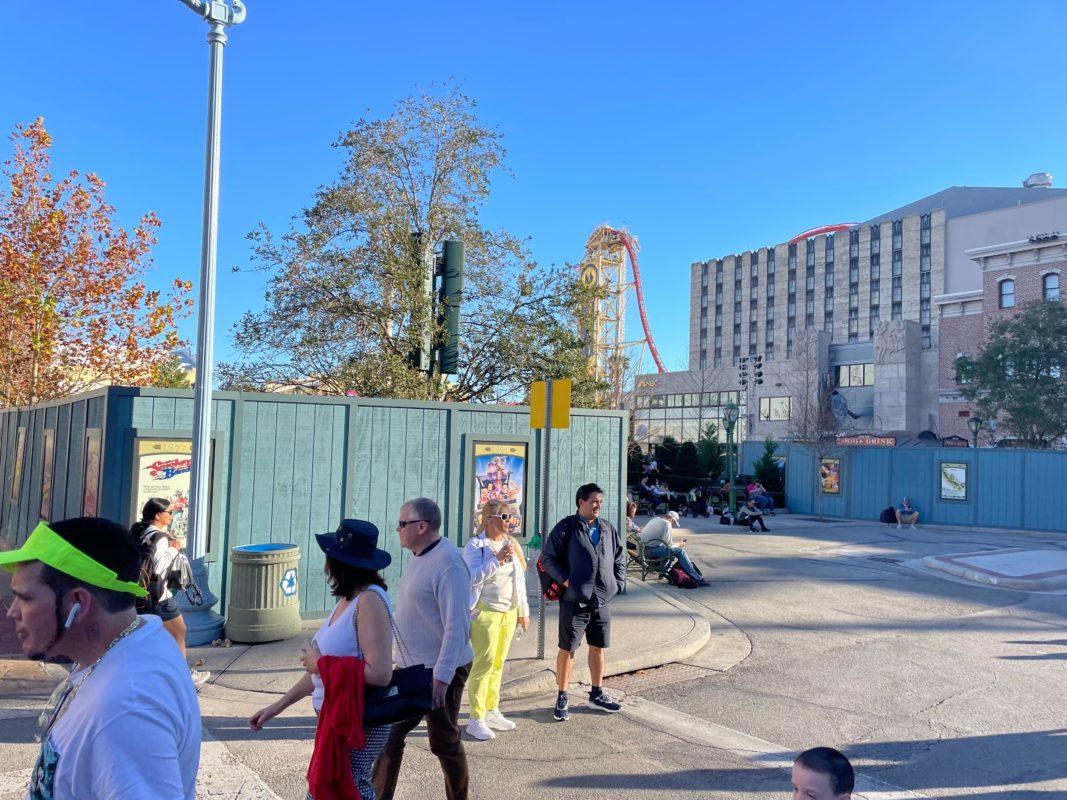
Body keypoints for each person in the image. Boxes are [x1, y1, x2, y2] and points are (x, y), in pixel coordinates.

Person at [1, 517, 201, 799]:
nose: (12, 612)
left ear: (78, 604)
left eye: (26, 598)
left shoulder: (126, 705)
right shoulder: (137, 635)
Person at [249, 519, 394, 799]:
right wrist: (276, 707)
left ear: (338, 564)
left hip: (358, 719)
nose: (326, 566)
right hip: (337, 718)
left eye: (329, 559)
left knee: (349, 790)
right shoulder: (348, 600)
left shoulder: (370, 601)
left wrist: (321, 664)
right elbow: (317, 672)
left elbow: (380, 673)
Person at [373, 498, 473, 800]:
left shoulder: (449, 564)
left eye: (403, 523)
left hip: (441, 670)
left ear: (422, 526)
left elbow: (458, 627)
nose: (397, 529)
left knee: (444, 741)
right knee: (389, 736)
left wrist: (441, 678)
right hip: (410, 670)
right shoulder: (419, 555)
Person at [540, 483, 626, 722]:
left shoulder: (608, 529)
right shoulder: (566, 528)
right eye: (593, 501)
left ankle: (597, 693)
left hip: (601, 600)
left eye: (600, 501)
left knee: (598, 646)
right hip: (574, 601)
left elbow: (619, 557)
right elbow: (547, 558)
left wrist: (617, 583)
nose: (598, 505)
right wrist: (567, 581)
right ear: (581, 502)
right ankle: (562, 695)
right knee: (567, 649)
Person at [462, 498, 529, 741]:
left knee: (499, 663)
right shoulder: (476, 546)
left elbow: (518, 581)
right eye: (504, 516)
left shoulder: (511, 544)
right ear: (488, 520)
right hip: (485, 612)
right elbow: (471, 578)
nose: (509, 521)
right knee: (484, 663)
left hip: (508, 612)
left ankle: (491, 709)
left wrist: (523, 611)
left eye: (511, 516)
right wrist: (497, 559)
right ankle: (475, 718)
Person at [130, 497, 210, 686]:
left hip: (137, 594)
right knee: (178, 632)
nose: (172, 516)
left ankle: (145, 675)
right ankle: (183, 676)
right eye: (169, 512)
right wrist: (174, 549)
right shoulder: (160, 538)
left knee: (145, 638)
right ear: (158, 515)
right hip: (159, 597)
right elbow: (159, 568)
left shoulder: (139, 532)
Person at [639, 510, 708, 586]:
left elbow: (664, 542)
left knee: (672, 549)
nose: (673, 525)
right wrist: (679, 544)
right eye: (674, 523)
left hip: (643, 548)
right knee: (680, 551)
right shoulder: (667, 524)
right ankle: (697, 578)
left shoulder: (656, 519)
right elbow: (669, 546)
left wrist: (675, 544)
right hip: (650, 551)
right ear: (671, 519)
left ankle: (665, 571)